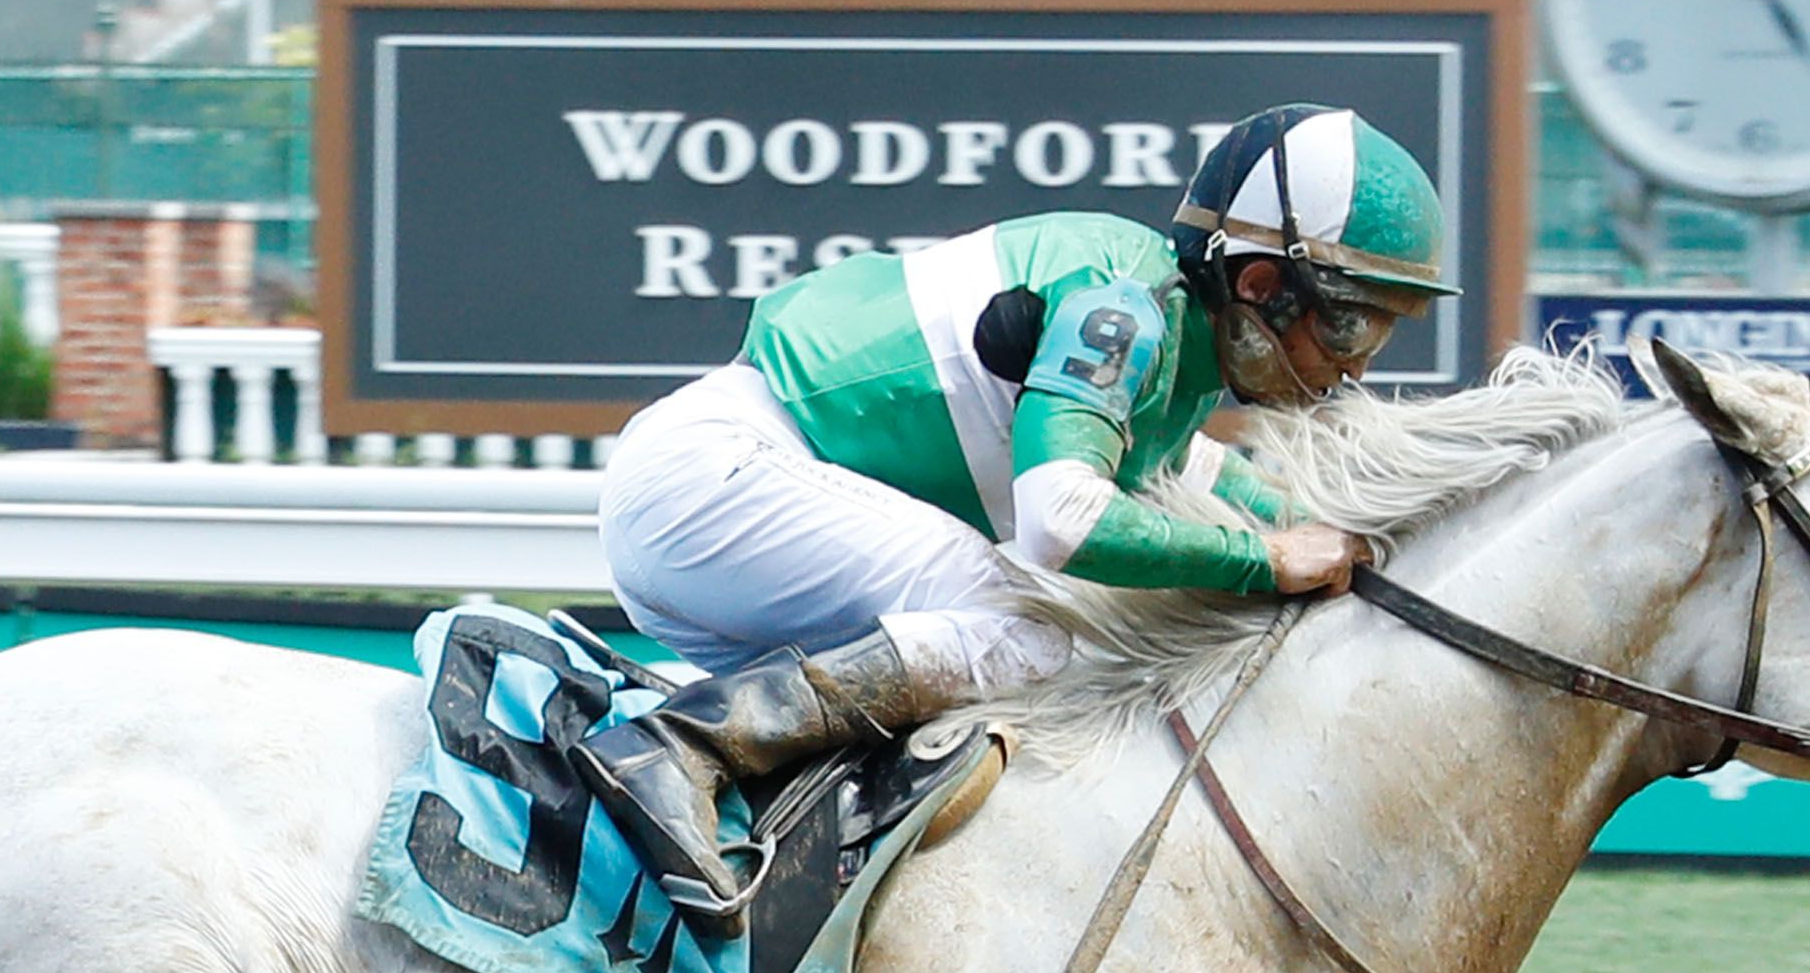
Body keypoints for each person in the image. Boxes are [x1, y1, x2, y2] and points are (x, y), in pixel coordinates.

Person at [578, 101, 1454, 919]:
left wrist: (1348, 532)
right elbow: (1062, 522)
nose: (1356, 368)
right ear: (1263, 283)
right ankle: (678, 748)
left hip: (723, 506)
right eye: (1348, 328)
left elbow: (1205, 474)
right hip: (716, 479)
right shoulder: (1124, 307)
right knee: (1030, 631)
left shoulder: (1172, 339)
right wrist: (1264, 561)